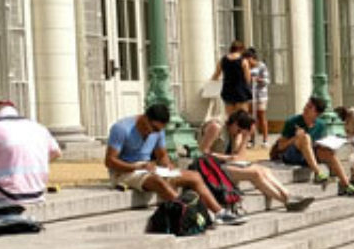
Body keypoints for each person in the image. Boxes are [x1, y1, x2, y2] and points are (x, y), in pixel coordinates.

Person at [104, 103, 243, 226]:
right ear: (145, 117)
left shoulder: (158, 131)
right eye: (152, 128)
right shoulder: (121, 128)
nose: (153, 132)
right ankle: (190, 214)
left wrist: (168, 166)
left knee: (194, 176)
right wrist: (136, 167)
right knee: (158, 181)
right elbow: (110, 161)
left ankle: (220, 213)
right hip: (125, 171)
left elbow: (162, 155)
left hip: (147, 168)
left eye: (158, 130)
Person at [204, 111, 312, 213]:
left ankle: (288, 196)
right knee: (255, 174)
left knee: (263, 170)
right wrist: (226, 158)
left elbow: (239, 157)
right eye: (239, 131)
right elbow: (203, 152)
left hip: (226, 165)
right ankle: (286, 201)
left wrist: (245, 138)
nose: (238, 134)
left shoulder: (236, 133)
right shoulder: (216, 127)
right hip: (212, 167)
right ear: (235, 124)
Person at [271, 96, 354, 196]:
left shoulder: (321, 125)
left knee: (328, 152)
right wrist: (294, 139)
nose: (305, 108)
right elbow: (280, 146)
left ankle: (346, 184)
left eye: (309, 107)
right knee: (305, 137)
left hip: (310, 155)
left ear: (317, 114)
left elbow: (320, 145)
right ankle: (318, 173)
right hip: (292, 155)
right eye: (306, 105)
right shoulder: (292, 122)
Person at [212, 40, 253, 117]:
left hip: (228, 90)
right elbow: (248, 78)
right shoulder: (243, 61)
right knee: (242, 117)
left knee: (231, 117)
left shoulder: (223, 60)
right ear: (241, 49)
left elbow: (216, 76)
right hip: (241, 91)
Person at [246, 47, 270, 147]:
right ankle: (251, 139)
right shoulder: (246, 67)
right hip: (250, 94)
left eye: (248, 59)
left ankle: (265, 140)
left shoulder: (261, 66)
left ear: (252, 58)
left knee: (261, 115)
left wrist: (257, 80)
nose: (248, 62)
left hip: (261, 95)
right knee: (251, 117)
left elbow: (266, 81)